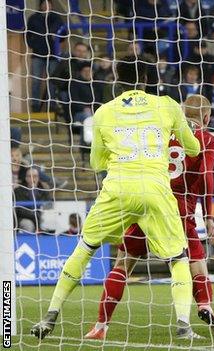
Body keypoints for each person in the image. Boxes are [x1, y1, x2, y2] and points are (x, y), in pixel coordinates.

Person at [30, 54, 202, 340]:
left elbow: (96, 163)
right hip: (155, 189)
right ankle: (183, 324)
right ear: (149, 78)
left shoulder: (103, 112)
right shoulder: (167, 105)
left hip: (119, 187)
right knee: (177, 257)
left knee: (85, 248)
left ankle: (50, 315)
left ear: (117, 79)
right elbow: (194, 149)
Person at [83, 94, 214, 339]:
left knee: (123, 263)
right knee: (193, 264)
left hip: (149, 199)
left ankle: (101, 325)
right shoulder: (206, 139)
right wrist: (210, 215)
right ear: (207, 117)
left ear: (181, 113)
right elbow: (206, 175)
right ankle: (202, 308)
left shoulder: (161, 132)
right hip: (179, 210)